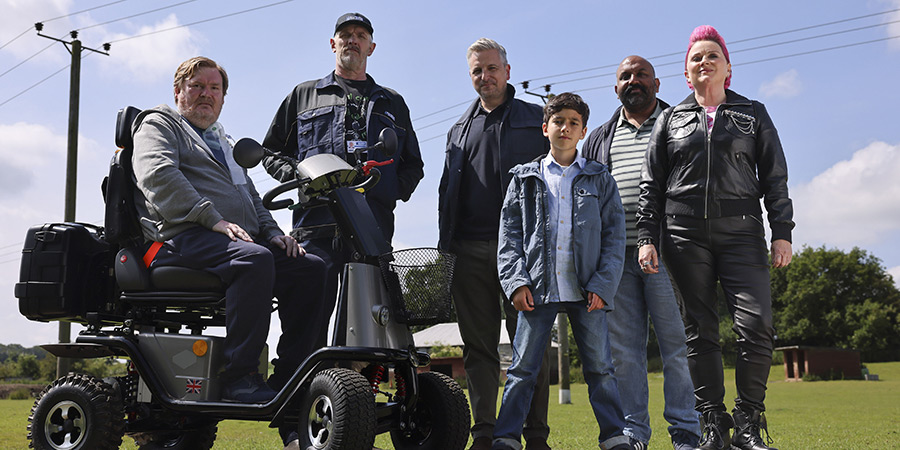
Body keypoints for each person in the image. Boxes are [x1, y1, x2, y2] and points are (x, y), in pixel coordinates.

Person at [131, 56, 326, 405]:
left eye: (215, 88)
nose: (207, 94)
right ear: (179, 91)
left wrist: (273, 233)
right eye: (197, 86)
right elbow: (157, 176)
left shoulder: (223, 141)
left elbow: (249, 194)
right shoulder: (158, 125)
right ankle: (241, 378)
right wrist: (212, 219)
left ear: (223, 97)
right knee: (254, 261)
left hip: (227, 238)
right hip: (180, 237)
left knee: (310, 267)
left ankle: (292, 375)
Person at [637, 25, 794, 450]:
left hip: (742, 230)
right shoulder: (670, 120)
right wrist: (647, 238)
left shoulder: (754, 113)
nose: (703, 62)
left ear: (728, 68)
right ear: (686, 74)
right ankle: (712, 424)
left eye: (712, 56)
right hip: (683, 235)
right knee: (699, 330)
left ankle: (746, 421)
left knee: (757, 324)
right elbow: (651, 184)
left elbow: (775, 176)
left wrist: (781, 231)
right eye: (695, 58)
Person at [262, 11, 424, 352]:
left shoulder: (392, 102)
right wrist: (300, 178)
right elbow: (269, 152)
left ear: (371, 47)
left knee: (370, 325)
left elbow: (413, 165)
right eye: (346, 34)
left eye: (360, 35)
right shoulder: (303, 96)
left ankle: (359, 396)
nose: (353, 39)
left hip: (372, 232)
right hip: (315, 231)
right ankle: (295, 390)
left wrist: (388, 192)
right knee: (306, 319)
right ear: (333, 43)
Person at [494, 93, 631, 450]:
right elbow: (508, 238)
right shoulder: (524, 179)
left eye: (573, 123)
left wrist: (603, 284)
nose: (565, 128)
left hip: (587, 291)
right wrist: (516, 281)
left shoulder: (600, 179)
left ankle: (614, 436)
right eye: (558, 122)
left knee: (601, 369)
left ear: (583, 131)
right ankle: (506, 438)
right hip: (537, 289)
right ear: (545, 128)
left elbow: (616, 238)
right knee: (523, 369)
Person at [438, 38, 552, 450]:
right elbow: (445, 194)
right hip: (468, 251)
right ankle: (484, 434)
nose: (484, 77)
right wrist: (444, 249)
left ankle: (534, 435)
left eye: (490, 68)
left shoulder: (537, 120)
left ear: (506, 70)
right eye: (476, 71)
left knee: (529, 348)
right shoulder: (458, 131)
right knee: (478, 350)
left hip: (525, 254)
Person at [583, 56, 701, 450]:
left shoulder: (683, 123)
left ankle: (686, 431)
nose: (633, 81)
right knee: (625, 356)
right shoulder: (599, 136)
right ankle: (634, 433)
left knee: (679, 348)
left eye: (641, 75)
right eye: (625, 76)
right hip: (617, 261)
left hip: (670, 257)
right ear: (615, 87)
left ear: (657, 83)